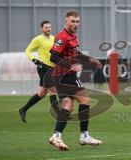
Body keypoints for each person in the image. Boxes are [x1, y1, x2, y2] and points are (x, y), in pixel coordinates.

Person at [48, 11, 102, 151]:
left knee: (69, 105)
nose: (76, 24)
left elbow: (76, 54)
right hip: (65, 76)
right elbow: (53, 57)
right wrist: (69, 66)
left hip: (62, 76)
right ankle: (84, 136)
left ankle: (56, 136)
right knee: (85, 99)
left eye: (77, 21)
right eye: (73, 21)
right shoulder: (62, 36)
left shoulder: (73, 37)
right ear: (66, 22)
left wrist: (91, 60)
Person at [18, 21, 59, 123]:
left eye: (49, 27)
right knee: (53, 90)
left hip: (51, 68)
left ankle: (23, 109)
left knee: (41, 93)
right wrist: (34, 59)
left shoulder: (54, 38)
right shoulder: (38, 39)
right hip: (43, 67)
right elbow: (28, 50)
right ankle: (59, 114)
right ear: (42, 28)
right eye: (46, 27)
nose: (48, 29)